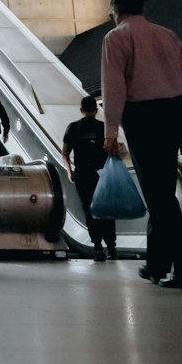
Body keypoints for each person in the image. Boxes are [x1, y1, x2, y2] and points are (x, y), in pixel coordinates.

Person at [101, 0, 182, 287]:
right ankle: (157, 264)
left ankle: (174, 266)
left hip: (143, 117)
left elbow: (113, 88)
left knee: (159, 196)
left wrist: (110, 131)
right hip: (175, 111)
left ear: (117, 9)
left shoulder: (117, 37)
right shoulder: (168, 35)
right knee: (161, 192)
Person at [62, 94, 116, 260]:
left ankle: (98, 247)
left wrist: (70, 171)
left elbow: (65, 152)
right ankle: (112, 247)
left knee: (89, 208)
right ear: (96, 109)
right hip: (102, 173)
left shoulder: (73, 127)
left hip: (82, 174)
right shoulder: (104, 127)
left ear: (81, 109)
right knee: (105, 208)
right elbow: (112, 150)